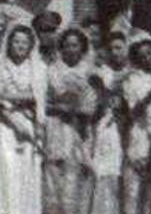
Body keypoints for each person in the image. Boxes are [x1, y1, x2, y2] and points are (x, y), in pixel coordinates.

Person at [0, 24, 46, 214]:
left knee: (25, 174)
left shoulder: (39, 69)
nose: (20, 46)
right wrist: (9, 102)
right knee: (4, 173)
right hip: (3, 126)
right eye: (16, 41)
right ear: (8, 43)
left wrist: (11, 97)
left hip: (28, 126)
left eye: (25, 42)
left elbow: (39, 97)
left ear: (31, 45)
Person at [43, 29, 95, 214]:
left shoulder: (91, 73)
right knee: (54, 174)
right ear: (60, 48)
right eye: (66, 45)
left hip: (80, 128)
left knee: (77, 174)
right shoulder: (51, 71)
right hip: (56, 125)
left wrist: (82, 110)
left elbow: (94, 104)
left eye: (75, 45)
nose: (71, 49)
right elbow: (42, 102)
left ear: (82, 48)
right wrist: (59, 107)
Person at [121, 33, 151, 214]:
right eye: (143, 55)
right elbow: (132, 113)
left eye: (150, 53)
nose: (148, 58)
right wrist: (150, 97)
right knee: (133, 189)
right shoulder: (131, 80)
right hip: (139, 134)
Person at [86, 31, 129, 214]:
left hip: (128, 128)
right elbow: (93, 106)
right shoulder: (100, 73)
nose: (115, 52)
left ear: (127, 48)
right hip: (106, 127)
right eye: (111, 48)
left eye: (119, 48)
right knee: (106, 172)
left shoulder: (132, 72)